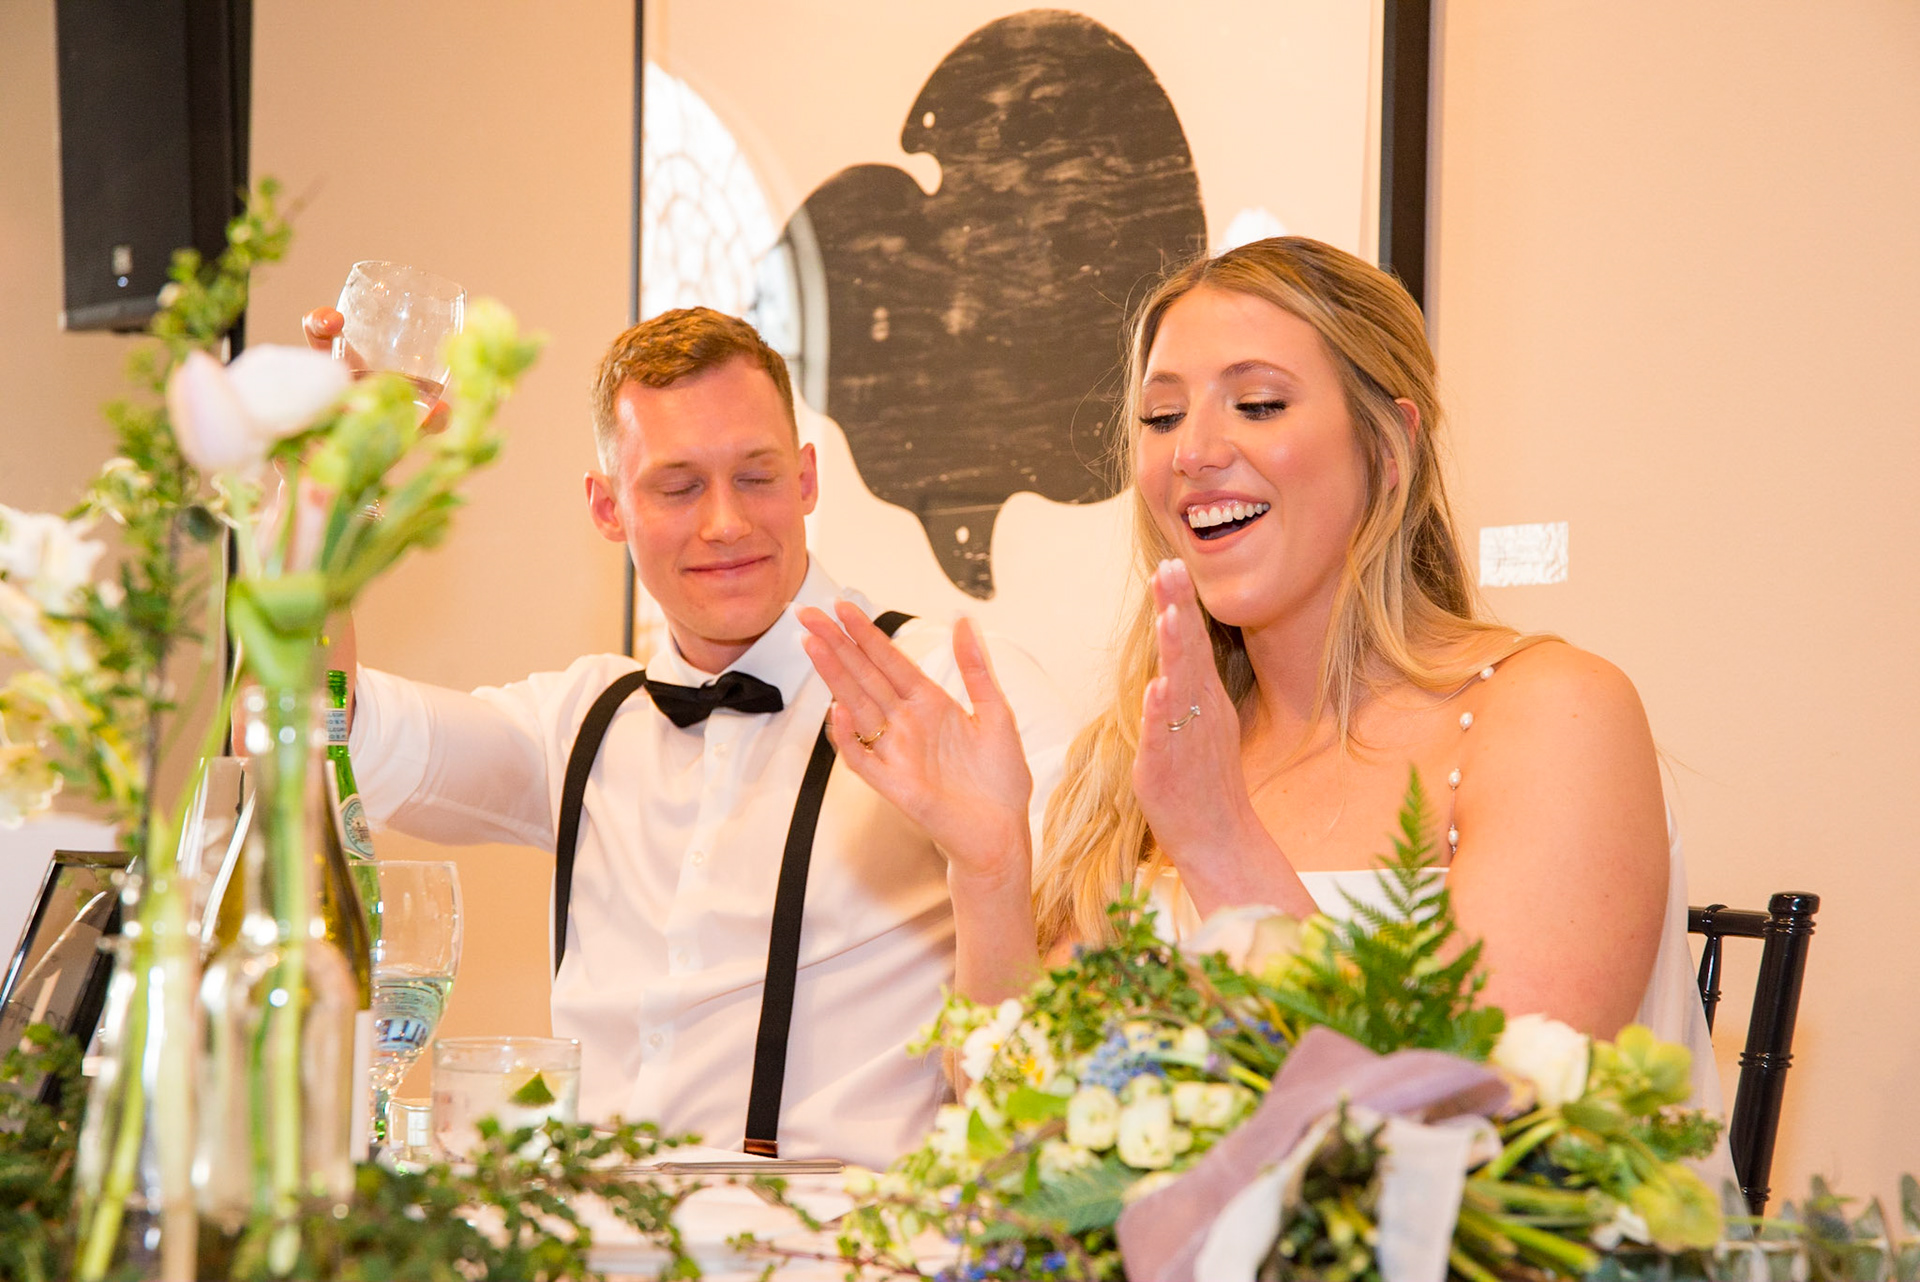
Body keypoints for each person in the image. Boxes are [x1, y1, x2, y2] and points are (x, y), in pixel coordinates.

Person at [796, 236, 1723, 1116]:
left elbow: (1479, 1124)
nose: (1192, 452)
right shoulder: (1137, 750)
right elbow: (1020, 1121)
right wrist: (990, 865)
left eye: (1260, 404)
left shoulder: (1558, 715)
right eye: (1162, 418)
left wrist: (1220, 844)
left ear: (1389, 446)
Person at [305, 305, 1073, 1168]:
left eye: (756, 476)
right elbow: (324, 728)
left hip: (846, 1236)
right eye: (678, 487)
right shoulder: (577, 723)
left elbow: (1087, 1014)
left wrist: (992, 859)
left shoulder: (956, 694)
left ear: (807, 478)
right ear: (607, 508)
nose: (726, 523)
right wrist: (322, 514)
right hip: (586, 1231)